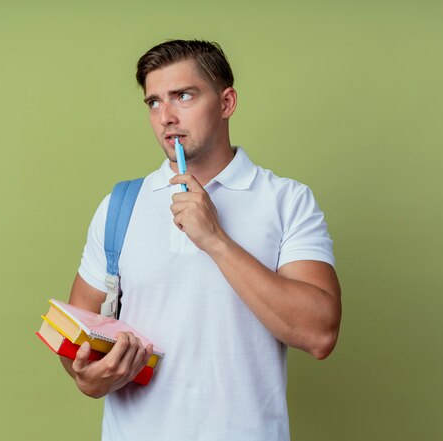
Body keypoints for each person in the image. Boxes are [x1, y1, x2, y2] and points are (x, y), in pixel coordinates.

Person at [60, 39, 341, 441]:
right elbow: (77, 333)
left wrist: (215, 240)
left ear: (226, 103)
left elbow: (319, 334)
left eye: (183, 96)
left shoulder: (286, 200)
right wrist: (86, 376)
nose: (166, 117)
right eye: (154, 102)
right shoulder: (120, 204)